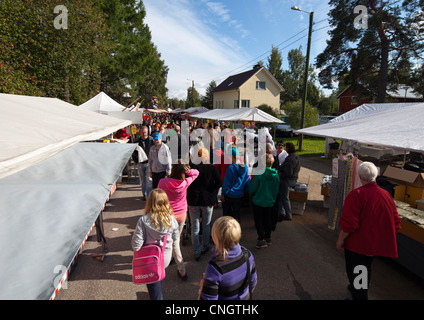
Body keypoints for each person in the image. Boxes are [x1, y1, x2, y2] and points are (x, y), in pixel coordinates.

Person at [336, 162, 401, 300]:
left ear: (360, 177)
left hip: (358, 244)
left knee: (358, 270)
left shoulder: (357, 194)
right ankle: (356, 288)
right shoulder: (386, 194)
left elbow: (349, 224)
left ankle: (359, 294)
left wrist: (340, 240)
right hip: (372, 243)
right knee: (364, 268)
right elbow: (395, 220)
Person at [131, 189, 179, 300]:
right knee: (158, 274)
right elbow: (175, 238)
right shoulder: (172, 220)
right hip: (165, 258)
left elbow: (136, 246)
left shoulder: (143, 221)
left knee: (154, 283)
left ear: (150, 202)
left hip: (149, 260)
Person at [198, 216, 257, 300]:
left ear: (216, 239)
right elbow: (253, 281)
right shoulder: (247, 254)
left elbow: (208, 298)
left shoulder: (215, 268)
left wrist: (201, 289)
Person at [158, 163, 199, 281]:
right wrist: (188, 171)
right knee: (176, 240)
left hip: (167, 214)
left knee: (166, 240)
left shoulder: (163, 182)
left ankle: (170, 265)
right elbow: (196, 173)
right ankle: (181, 269)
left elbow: (157, 195)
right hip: (181, 215)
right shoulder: (184, 183)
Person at [187, 147, 223, 261]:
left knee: (194, 225)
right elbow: (219, 182)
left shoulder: (191, 168)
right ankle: (205, 246)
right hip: (207, 199)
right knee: (206, 224)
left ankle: (196, 250)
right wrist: (211, 188)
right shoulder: (211, 168)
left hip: (193, 199)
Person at [249, 154, 280, 249]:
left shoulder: (259, 173)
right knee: (267, 219)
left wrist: (251, 194)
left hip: (259, 200)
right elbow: (277, 189)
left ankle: (261, 238)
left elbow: (253, 188)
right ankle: (268, 237)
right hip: (270, 201)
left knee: (258, 220)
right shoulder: (276, 175)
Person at [220, 148, 250, 223]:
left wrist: (223, 194)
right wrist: (244, 191)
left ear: (233, 156)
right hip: (239, 195)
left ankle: (228, 232)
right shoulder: (245, 167)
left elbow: (227, 183)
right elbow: (247, 181)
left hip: (229, 195)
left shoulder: (231, 168)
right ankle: (236, 231)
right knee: (237, 215)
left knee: (227, 217)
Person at [276, 142, 300, 221]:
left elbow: (288, 173)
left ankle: (288, 215)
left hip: (287, 180)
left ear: (288, 149)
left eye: (286, 147)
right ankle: (281, 212)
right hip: (293, 179)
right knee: (282, 197)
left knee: (285, 198)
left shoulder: (290, 159)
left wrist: (280, 174)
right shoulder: (296, 157)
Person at [134, 126, 155, 200]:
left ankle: (148, 195)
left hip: (149, 163)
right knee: (142, 180)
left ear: (147, 132)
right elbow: (133, 152)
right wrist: (136, 160)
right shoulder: (136, 142)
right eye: (142, 133)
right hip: (140, 163)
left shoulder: (151, 140)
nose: (144, 134)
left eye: (145, 132)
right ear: (140, 133)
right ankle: (144, 194)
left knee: (149, 180)